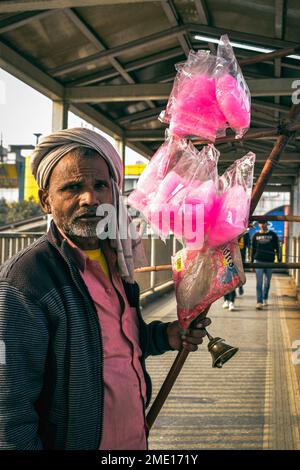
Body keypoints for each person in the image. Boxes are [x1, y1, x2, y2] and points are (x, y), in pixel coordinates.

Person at [0, 128, 210, 450]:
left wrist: (166, 335)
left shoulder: (118, 262)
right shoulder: (25, 282)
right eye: (72, 188)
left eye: (100, 185)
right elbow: (8, 409)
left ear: (114, 192)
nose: (90, 199)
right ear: (46, 200)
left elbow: (120, 341)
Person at [251, 221, 281, 309]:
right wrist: (251, 263)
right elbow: (252, 250)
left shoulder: (273, 235)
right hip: (258, 261)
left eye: (264, 223)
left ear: (267, 224)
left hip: (270, 261)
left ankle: (265, 298)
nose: (262, 225)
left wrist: (279, 259)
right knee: (259, 283)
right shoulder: (255, 236)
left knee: (267, 283)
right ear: (259, 225)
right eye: (261, 223)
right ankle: (259, 302)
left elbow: (277, 247)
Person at [237, 231, 250, 295]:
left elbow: (248, 245)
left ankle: (240, 286)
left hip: (242, 256)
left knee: (241, 273)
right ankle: (232, 291)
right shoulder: (233, 231)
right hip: (233, 255)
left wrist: (249, 255)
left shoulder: (246, 233)